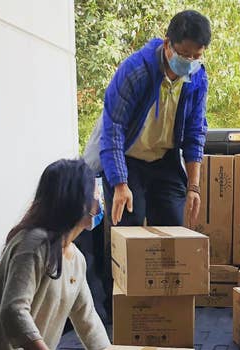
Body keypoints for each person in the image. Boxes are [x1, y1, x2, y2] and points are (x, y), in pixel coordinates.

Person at [0, 159, 110, 350]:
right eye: (94, 195)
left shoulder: (75, 258)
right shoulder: (33, 244)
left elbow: (88, 321)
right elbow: (13, 311)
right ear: (76, 200)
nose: (99, 201)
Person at [100, 9, 211, 229]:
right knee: (128, 227)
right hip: (129, 159)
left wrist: (193, 187)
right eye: (184, 54)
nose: (190, 62)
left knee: (173, 227)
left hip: (165, 160)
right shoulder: (136, 71)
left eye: (196, 56)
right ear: (168, 43)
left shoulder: (197, 78)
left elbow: (195, 133)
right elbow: (113, 129)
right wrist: (120, 184)